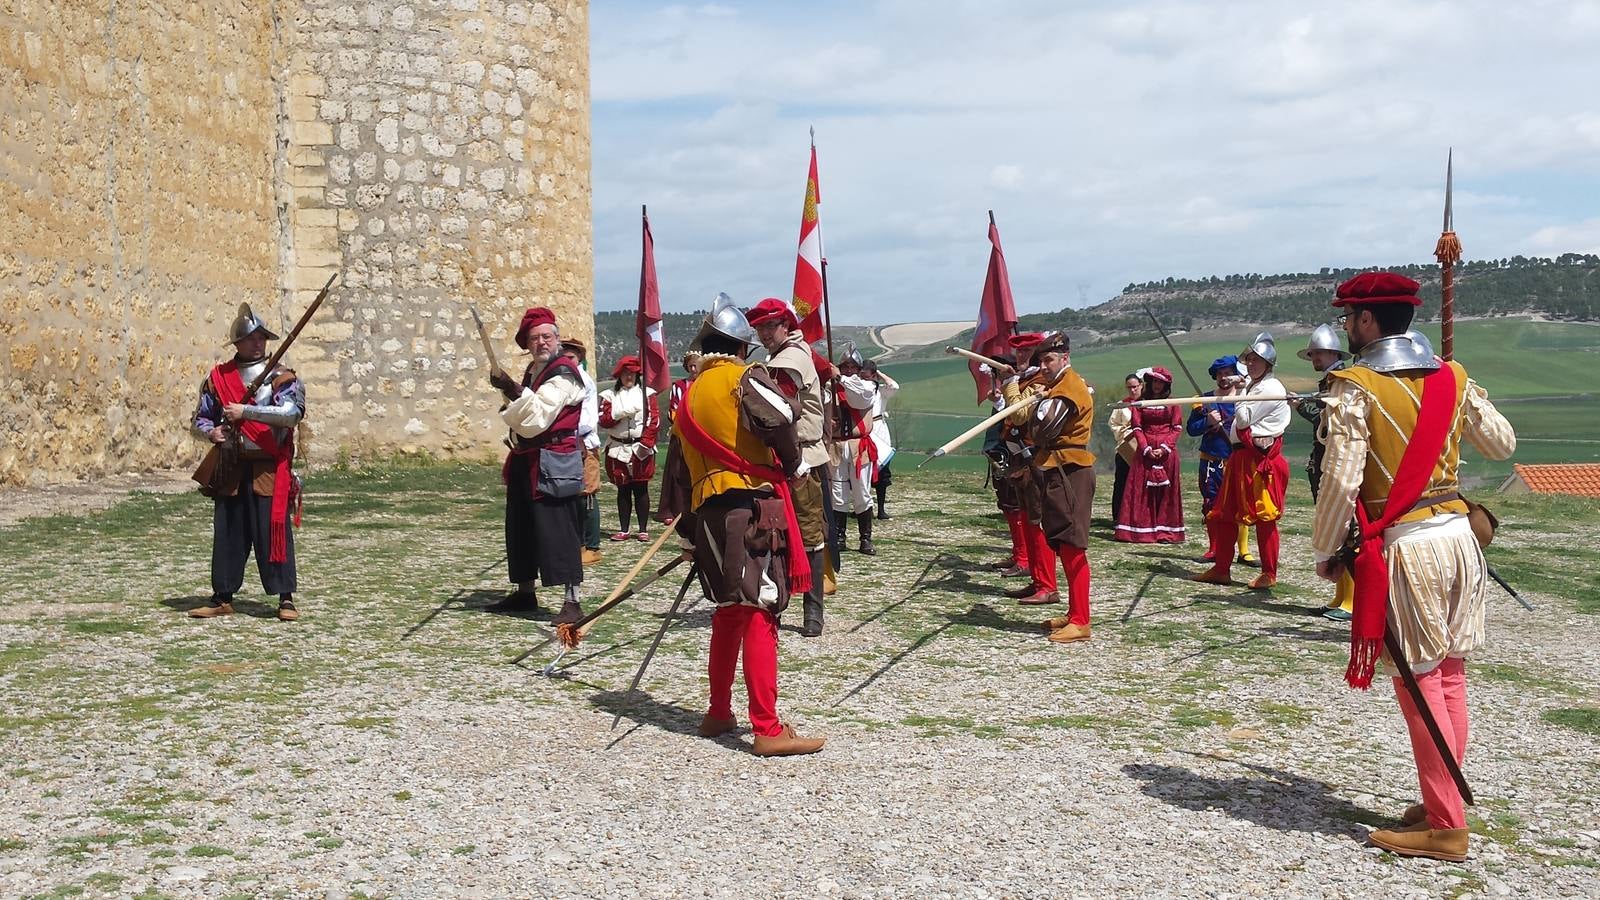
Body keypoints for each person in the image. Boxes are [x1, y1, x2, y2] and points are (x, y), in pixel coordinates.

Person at [1311, 272, 1515, 861]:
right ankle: (1440, 799)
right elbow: (1501, 444)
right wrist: (1456, 396)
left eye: (1350, 317)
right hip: (1459, 536)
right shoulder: (1453, 375)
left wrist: (1327, 550)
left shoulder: (1355, 386)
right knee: (1448, 675)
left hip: (1412, 544)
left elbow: (1342, 479)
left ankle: (1447, 826)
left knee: (1422, 683)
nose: (1347, 327)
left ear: (1368, 321)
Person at [664, 294, 826, 756]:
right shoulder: (744, 378)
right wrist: (793, 463)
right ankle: (767, 727)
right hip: (752, 506)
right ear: (738, 348)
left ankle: (718, 713)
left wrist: (688, 531)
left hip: (708, 515)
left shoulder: (688, 394)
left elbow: (677, 472)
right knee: (760, 609)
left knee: (730, 611)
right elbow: (779, 417)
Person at [189, 303, 306, 622]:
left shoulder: (281, 377)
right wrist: (210, 432)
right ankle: (223, 596)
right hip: (231, 464)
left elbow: (292, 414)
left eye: (262, 337)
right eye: (252, 338)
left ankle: (285, 598)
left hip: (268, 464)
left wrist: (247, 413)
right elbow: (198, 419)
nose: (258, 343)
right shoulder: (219, 378)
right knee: (229, 532)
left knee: (273, 530)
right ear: (238, 343)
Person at [487, 307, 586, 625]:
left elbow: (536, 416)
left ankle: (572, 601)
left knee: (561, 529)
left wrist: (511, 389)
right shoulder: (534, 371)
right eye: (535, 338)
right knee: (520, 527)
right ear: (527, 344)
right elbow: (519, 415)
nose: (542, 342)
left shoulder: (564, 372)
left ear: (557, 338)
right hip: (526, 459)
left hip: (554, 460)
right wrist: (516, 393)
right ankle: (525, 591)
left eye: (547, 336)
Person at [748, 297, 831, 637]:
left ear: (785, 325)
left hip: (803, 459)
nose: (764, 333)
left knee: (809, 535)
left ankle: (813, 611)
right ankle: (776, 604)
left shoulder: (790, 360)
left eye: (770, 326)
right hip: (782, 458)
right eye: (759, 328)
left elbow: (774, 409)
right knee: (774, 534)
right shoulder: (778, 358)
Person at [1009, 332, 1097, 644]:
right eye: (1041, 361)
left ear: (1064, 358)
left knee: (1073, 545)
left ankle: (1081, 620)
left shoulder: (1068, 388)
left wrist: (1038, 405)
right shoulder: (1056, 387)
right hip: (1057, 467)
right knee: (1061, 541)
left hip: (1071, 468)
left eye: (1049, 360)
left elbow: (1042, 430)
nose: (1044, 366)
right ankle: (1074, 613)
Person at [1193, 333, 1290, 590]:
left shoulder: (1270, 388)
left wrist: (1241, 390)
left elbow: (1245, 419)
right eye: (1249, 359)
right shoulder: (1254, 386)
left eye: (1257, 360)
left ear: (1268, 364)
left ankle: (1269, 573)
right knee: (1225, 514)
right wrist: (1244, 386)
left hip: (1258, 460)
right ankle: (1222, 568)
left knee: (1264, 515)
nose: (1251, 363)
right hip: (1238, 457)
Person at [996, 332, 1058, 604]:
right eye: (1018, 352)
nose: (1020, 357)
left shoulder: (1041, 381)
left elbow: (1020, 413)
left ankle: (1047, 584)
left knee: (1037, 522)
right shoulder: (1025, 380)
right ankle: (1036, 579)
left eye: (1026, 352)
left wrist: (1009, 383)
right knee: (1026, 517)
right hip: (1020, 458)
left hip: (1037, 458)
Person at [1297, 323, 1354, 620]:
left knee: (1346, 531)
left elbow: (1330, 420)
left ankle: (1352, 600)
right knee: (1334, 532)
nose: (1314, 359)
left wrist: (1302, 407)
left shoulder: (1342, 381)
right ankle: (1340, 596)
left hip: (1341, 462)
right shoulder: (1328, 381)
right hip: (1324, 460)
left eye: (1317, 353)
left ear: (1331, 352)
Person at [1185, 356, 1253, 565]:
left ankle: (1243, 551)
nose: (1224, 378)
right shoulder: (1204, 400)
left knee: (1242, 505)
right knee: (1212, 504)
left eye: (1228, 373)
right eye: (1220, 374)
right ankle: (1214, 548)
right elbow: (1191, 429)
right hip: (1211, 462)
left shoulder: (1245, 398)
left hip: (1237, 460)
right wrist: (1207, 421)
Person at [1114, 366, 1185, 543]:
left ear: (1166, 384)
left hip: (1166, 451)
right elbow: (1137, 427)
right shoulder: (1141, 402)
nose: (1156, 385)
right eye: (1154, 381)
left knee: (1165, 492)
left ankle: (1165, 530)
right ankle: (1140, 529)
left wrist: (1164, 447)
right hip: (1144, 450)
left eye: (1160, 382)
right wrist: (1145, 447)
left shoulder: (1173, 403)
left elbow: (1176, 427)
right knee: (1142, 490)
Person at [599, 355, 660, 541]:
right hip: (618, 446)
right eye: (625, 374)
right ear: (620, 376)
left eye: (632, 374)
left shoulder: (647, 394)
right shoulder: (609, 395)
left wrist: (646, 444)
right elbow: (604, 420)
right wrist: (621, 412)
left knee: (641, 488)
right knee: (623, 489)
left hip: (640, 445)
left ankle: (642, 529)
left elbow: (653, 421)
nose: (629, 377)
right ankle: (624, 529)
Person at [829, 344, 882, 555]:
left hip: (858, 445)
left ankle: (865, 539)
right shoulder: (830, 388)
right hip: (836, 446)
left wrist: (840, 379)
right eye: (845, 366)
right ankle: (840, 537)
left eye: (852, 366)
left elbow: (858, 396)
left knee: (861, 492)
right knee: (838, 494)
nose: (849, 369)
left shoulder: (867, 386)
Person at [561, 337, 604, 566]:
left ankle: (592, 546)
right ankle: (576, 544)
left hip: (583, 443)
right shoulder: (563, 380)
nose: (566, 360)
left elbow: (586, 420)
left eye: (571, 357)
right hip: (567, 444)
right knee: (571, 496)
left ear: (579, 359)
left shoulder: (583, 381)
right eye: (564, 356)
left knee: (587, 494)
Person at [861, 360, 900, 520]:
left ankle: (881, 509)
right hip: (863, 429)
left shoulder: (881, 391)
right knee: (862, 471)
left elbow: (895, 386)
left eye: (867, 375)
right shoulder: (857, 389)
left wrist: (880, 375)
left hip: (879, 429)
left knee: (882, 470)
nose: (864, 379)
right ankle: (864, 508)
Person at [1107, 372, 1143, 527]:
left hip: (1142, 448)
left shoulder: (1147, 404)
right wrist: (1127, 433)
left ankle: (1140, 516)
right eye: (1129, 388)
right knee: (1121, 482)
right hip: (1125, 448)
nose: (1132, 390)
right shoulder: (1122, 405)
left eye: (1135, 387)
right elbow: (1113, 424)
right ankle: (1119, 516)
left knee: (1140, 483)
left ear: (1141, 385)